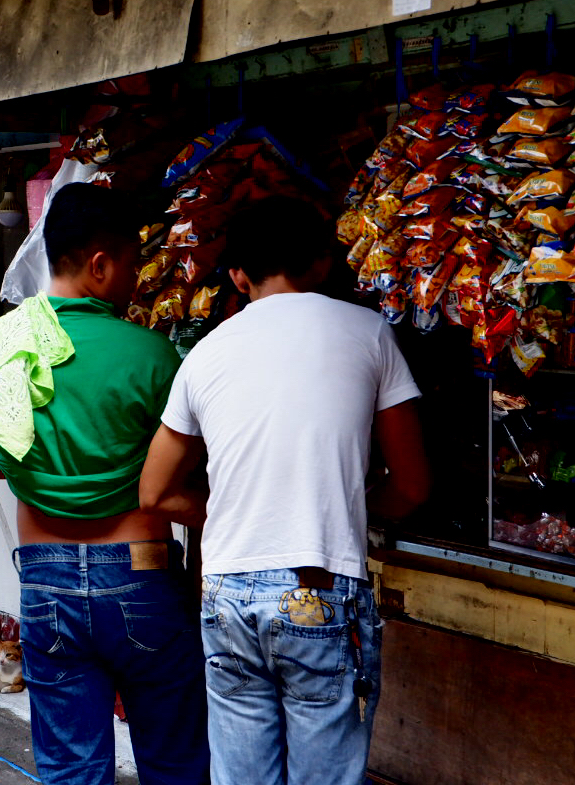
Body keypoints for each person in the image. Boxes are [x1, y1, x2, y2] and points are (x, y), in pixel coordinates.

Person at [139, 196, 430, 785]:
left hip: (226, 592)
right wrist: (340, 509)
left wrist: (233, 509)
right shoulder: (369, 333)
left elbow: (156, 493)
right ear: (324, 265)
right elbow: (414, 487)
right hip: (318, 584)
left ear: (239, 276)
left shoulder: (205, 353)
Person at [0, 183, 205, 784]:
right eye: (130, 262)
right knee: (175, 762)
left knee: (71, 770)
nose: (136, 278)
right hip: (143, 576)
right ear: (99, 264)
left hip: (45, 580)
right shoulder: (154, 355)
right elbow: (186, 478)